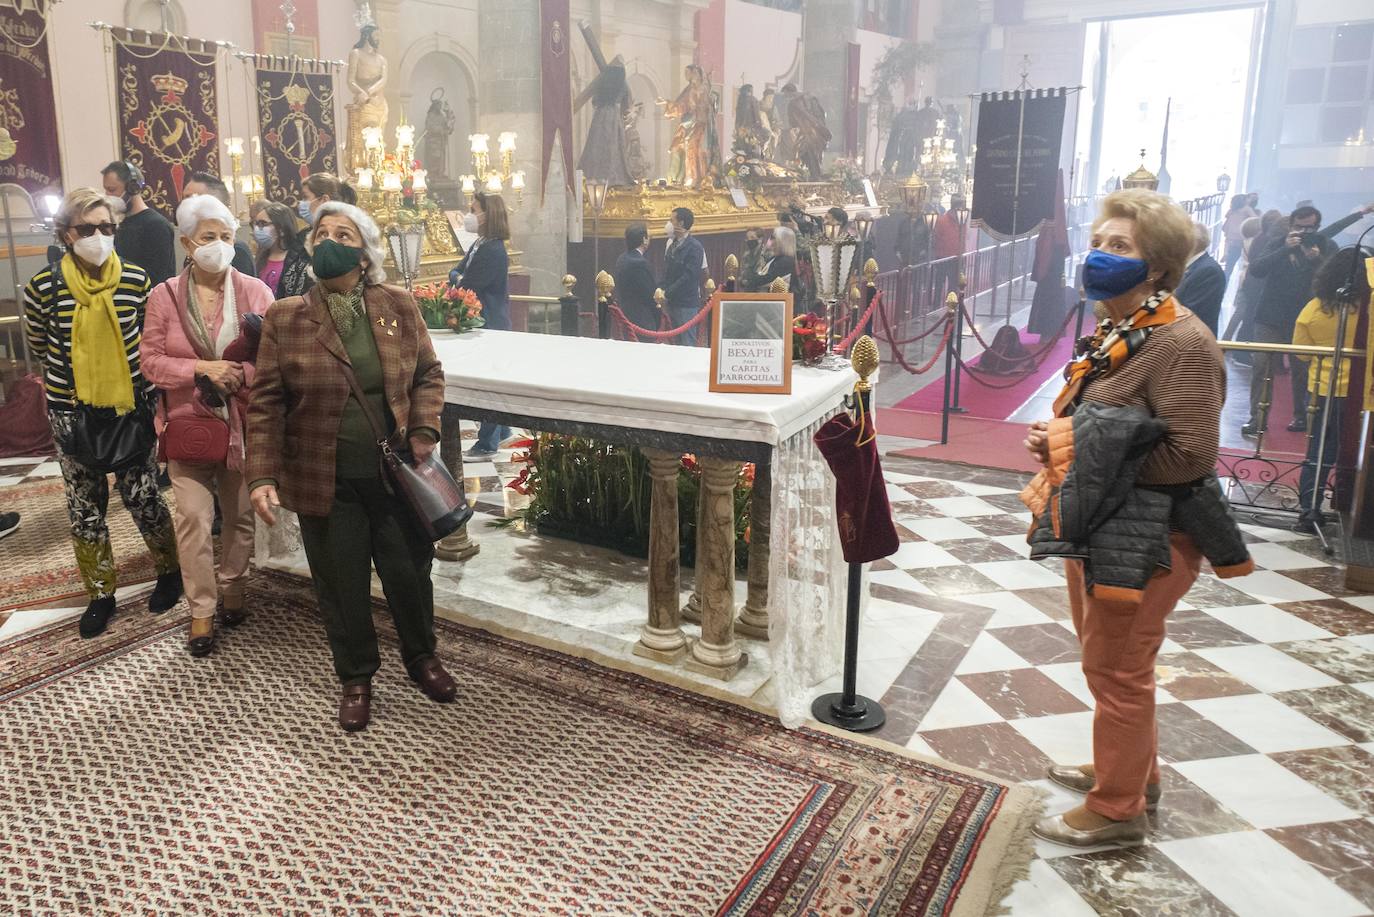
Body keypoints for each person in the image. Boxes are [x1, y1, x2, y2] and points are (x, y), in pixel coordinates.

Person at [1022, 189, 1250, 849]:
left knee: (1116, 666)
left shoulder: (1181, 341)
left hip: (1151, 536)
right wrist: (1061, 436)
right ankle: (1132, 770)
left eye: (1120, 247)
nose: (1101, 255)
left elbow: (1188, 455)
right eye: (1100, 241)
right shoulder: (1126, 326)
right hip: (1101, 521)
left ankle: (1117, 808)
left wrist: (1068, 445)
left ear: (1157, 266)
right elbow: (1111, 418)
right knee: (1113, 662)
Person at [246, 201, 455, 732]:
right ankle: (356, 676)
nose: (331, 240)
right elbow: (267, 402)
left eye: (345, 233)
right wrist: (263, 475)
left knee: (409, 573)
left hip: (395, 475)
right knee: (341, 585)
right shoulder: (287, 316)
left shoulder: (397, 305)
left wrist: (425, 429)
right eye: (322, 233)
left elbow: (429, 373)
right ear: (311, 247)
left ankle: (422, 657)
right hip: (326, 479)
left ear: (365, 253)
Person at [23, 188, 181, 638]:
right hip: (72, 412)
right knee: (84, 509)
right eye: (87, 229)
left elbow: (149, 341)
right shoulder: (44, 287)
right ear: (66, 234)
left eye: (106, 228)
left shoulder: (135, 279)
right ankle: (100, 593)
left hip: (130, 406)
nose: (97, 236)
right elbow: (40, 343)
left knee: (144, 497)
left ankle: (169, 573)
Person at [142, 194, 275, 656]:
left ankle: (234, 585)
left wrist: (240, 375)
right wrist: (203, 369)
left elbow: (275, 363)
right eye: (207, 237)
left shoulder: (257, 292)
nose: (218, 245)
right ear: (186, 241)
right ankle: (202, 610)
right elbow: (151, 363)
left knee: (239, 516)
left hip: (243, 424)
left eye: (225, 236)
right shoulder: (163, 296)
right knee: (194, 520)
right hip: (188, 425)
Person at [1246, 203, 1373, 435]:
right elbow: (1256, 269)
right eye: (1299, 227)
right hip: (1270, 316)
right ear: (1291, 225)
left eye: (1309, 228)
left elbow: (1334, 278)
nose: (1304, 233)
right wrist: (1285, 248)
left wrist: (1316, 259)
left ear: (1317, 227)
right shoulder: (1278, 243)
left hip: (1303, 317)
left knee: (1302, 369)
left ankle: (1301, 417)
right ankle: (1257, 419)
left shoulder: (1326, 244)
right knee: (1261, 367)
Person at [1292, 248, 1367, 532]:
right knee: (1358, 452)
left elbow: (1301, 352)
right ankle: (1354, 508)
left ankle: (1308, 510)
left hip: (1324, 388)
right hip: (1361, 393)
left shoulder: (1314, 308)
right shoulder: (1367, 310)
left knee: (1318, 452)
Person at [447, 190, 514, 458]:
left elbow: (467, 282)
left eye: (474, 210)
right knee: (491, 379)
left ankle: (488, 442)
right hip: (483, 320)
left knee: (488, 384)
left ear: (489, 215)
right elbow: (456, 270)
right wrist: (457, 276)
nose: (470, 215)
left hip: (492, 322)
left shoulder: (494, 250)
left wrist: (458, 278)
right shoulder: (480, 244)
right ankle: (504, 430)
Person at [101, 160, 177, 286]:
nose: (107, 196)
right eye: (106, 190)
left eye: (112, 190)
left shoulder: (156, 225)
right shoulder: (120, 224)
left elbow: (159, 279)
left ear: (133, 188)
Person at [182, 173, 257, 277]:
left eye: (192, 200)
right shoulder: (194, 244)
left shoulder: (235, 251)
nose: (184, 207)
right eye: (185, 200)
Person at [1173, 221, 1226, 336]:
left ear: (1191, 243)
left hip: (1194, 340)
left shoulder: (1209, 271)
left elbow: (1193, 312)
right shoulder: (1193, 266)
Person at [662, 206, 705, 346]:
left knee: (687, 342)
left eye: (671, 220)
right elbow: (667, 272)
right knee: (676, 343)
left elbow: (689, 276)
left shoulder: (694, 247)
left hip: (686, 303)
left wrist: (668, 292)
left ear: (680, 223)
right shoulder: (672, 245)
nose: (669, 224)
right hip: (673, 301)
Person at [253, 202, 312, 299]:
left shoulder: (297, 260)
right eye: (256, 224)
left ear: (281, 229)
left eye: (263, 223)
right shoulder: (260, 258)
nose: (257, 229)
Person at [614, 222, 658, 332]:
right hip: (641, 318)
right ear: (644, 240)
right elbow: (649, 294)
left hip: (625, 314)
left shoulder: (622, 258)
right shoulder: (640, 263)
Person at [743, 225, 799, 296]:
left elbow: (768, 279)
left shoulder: (786, 261)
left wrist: (750, 280)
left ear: (782, 241)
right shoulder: (774, 259)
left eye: (774, 238)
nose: (771, 241)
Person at [1220, 193, 1258, 278]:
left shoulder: (1232, 210)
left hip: (1232, 238)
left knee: (1229, 268)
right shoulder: (1247, 209)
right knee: (1246, 262)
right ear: (1243, 201)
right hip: (1242, 238)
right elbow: (1255, 219)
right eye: (1247, 198)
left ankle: (1225, 254)